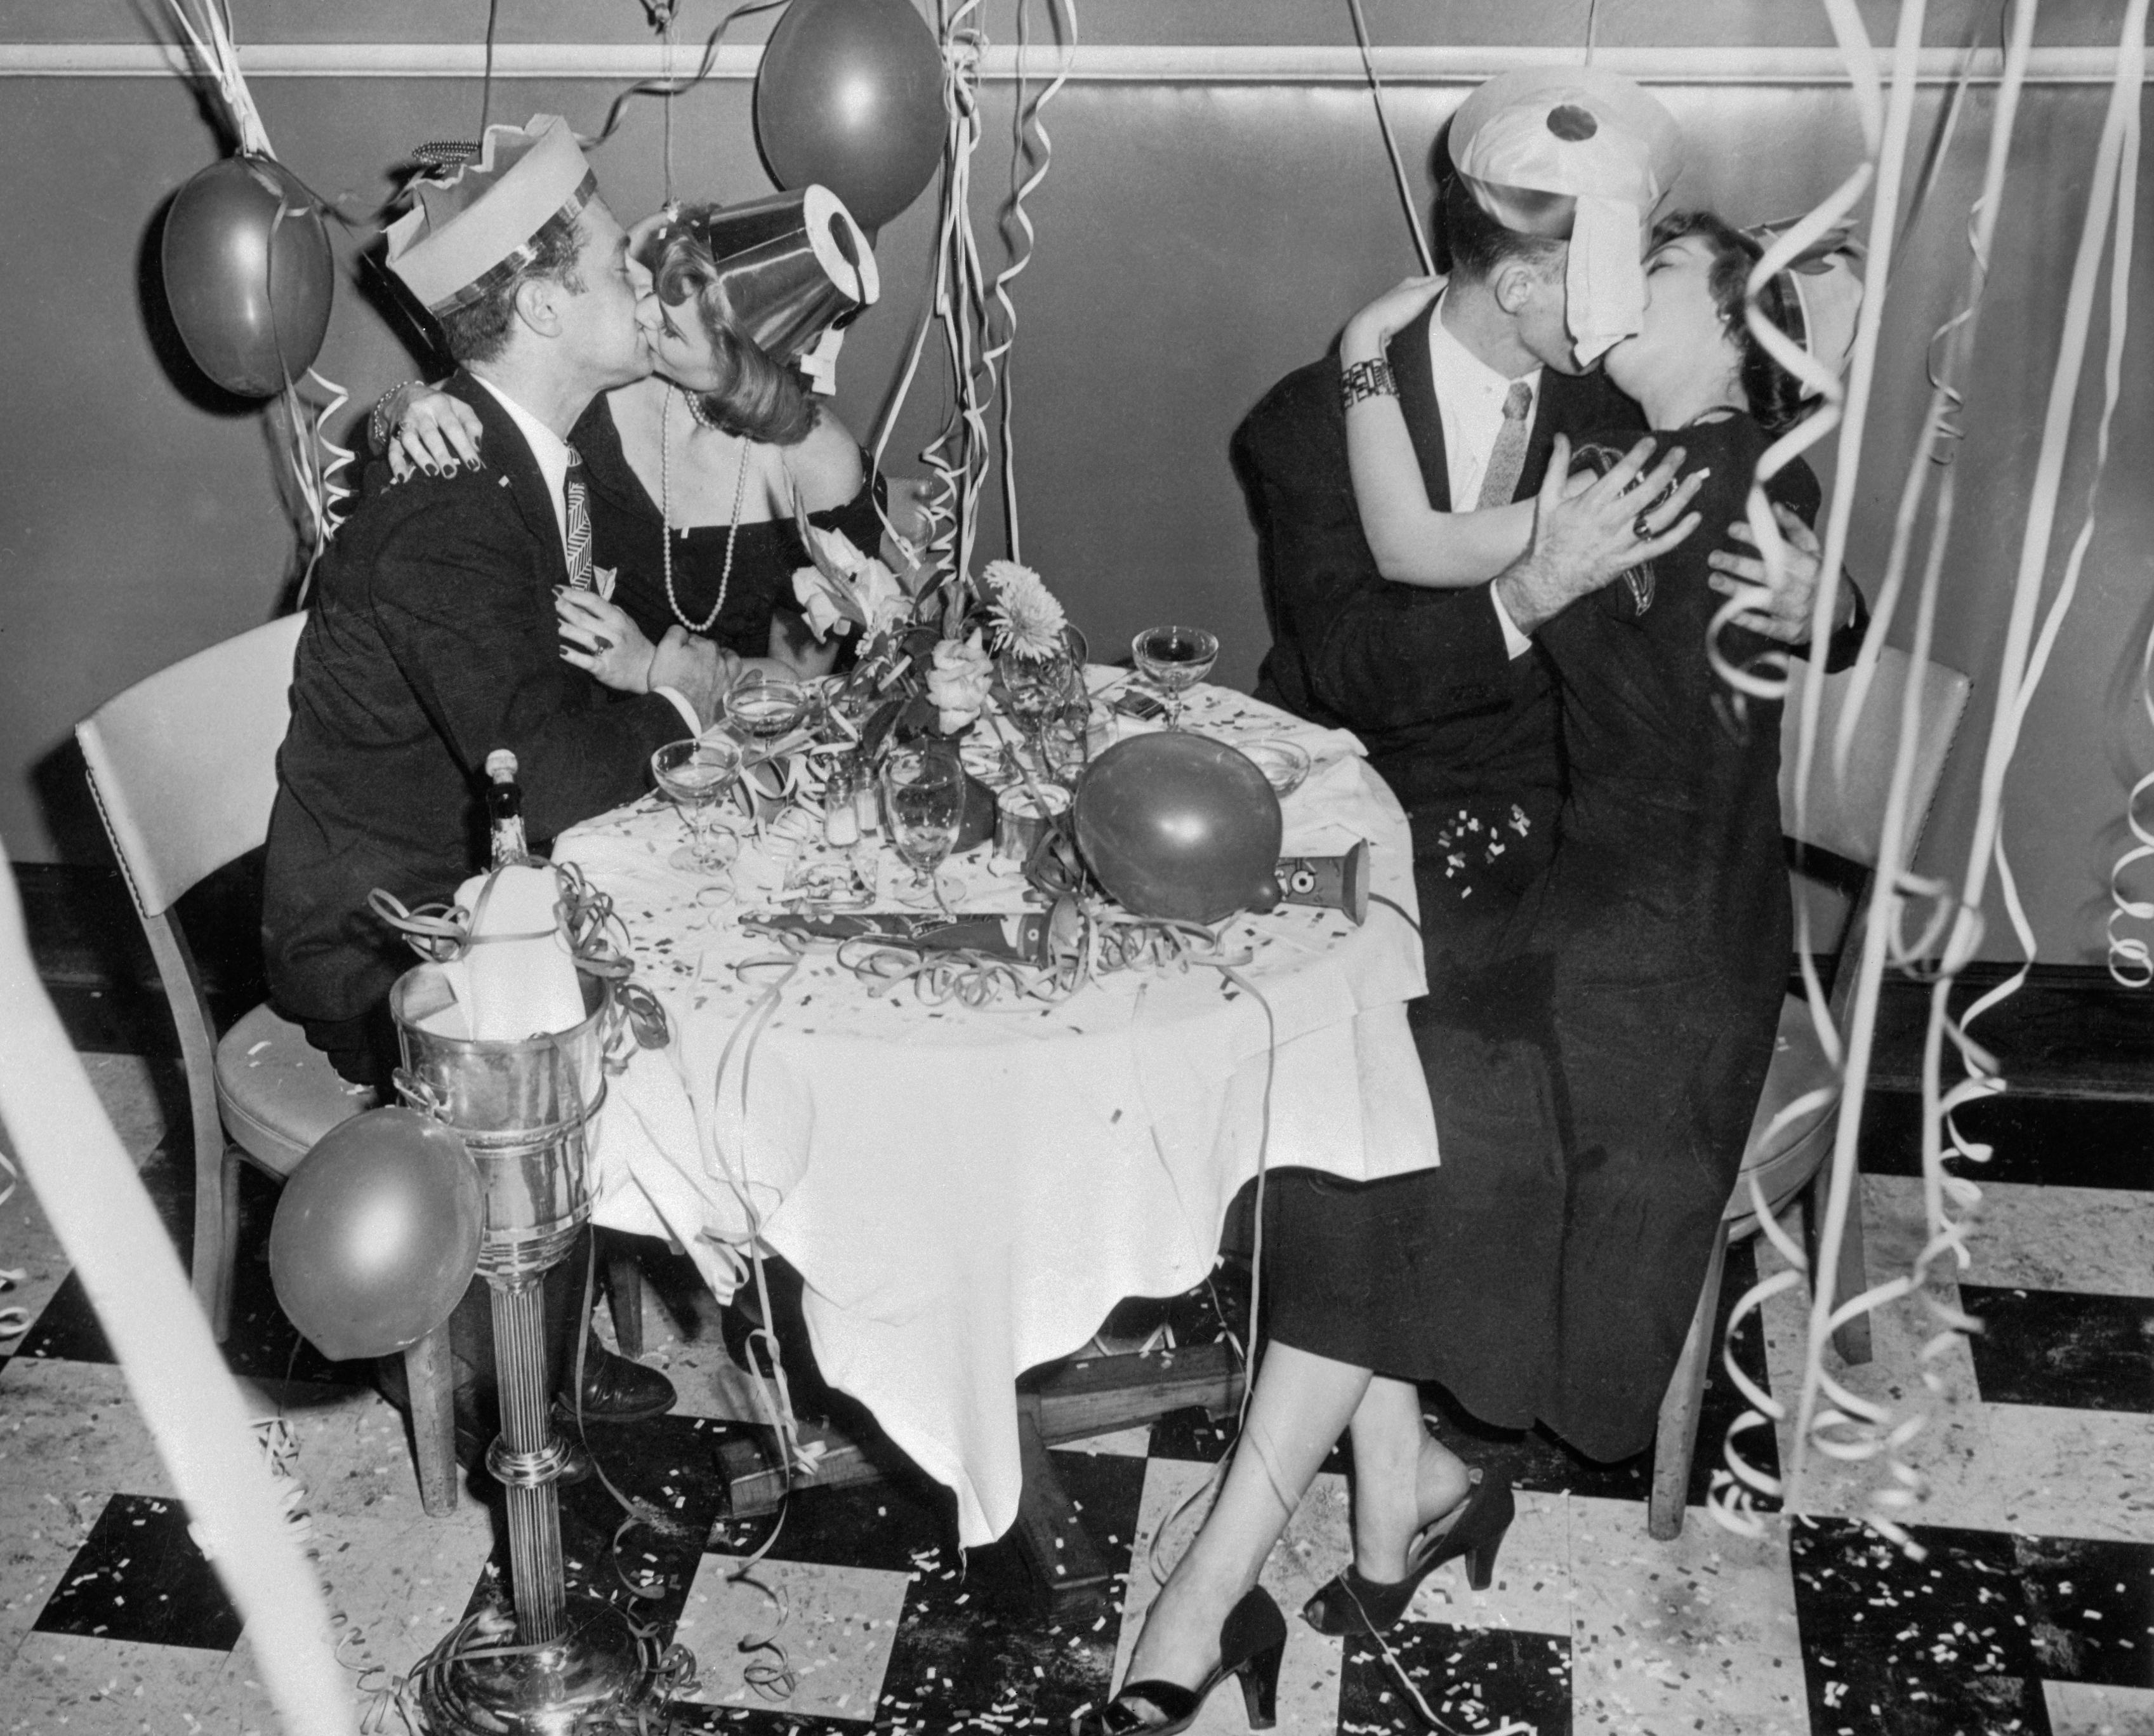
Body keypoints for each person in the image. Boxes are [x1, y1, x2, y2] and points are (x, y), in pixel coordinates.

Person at [1087, 76, 1860, 1736]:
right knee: (1295, 1061)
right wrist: (1520, 580)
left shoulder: (1616, 405)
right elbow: (1348, 654)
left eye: (1637, 270)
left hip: (1570, 867)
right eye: (1601, 267)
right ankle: (1406, 1475)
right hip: (1382, 811)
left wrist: (1832, 601)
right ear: (1523, 279)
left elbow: (1768, 515)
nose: (1609, 298)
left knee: (1373, 1107)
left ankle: (1218, 1583)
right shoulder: (1308, 422)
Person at [264, 115, 734, 1445]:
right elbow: (558, 772)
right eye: (613, 265)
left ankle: (580, 1290)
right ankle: (519, 1387)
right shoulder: (452, 505)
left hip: (494, 877)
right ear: (539, 305)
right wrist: (680, 697)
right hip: (388, 930)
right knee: (702, 993)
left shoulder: (531, 447)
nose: (641, 282)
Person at [374, 202, 886, 693]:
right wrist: (403, 403)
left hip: (725, 736)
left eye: (671, 331)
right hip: (566, 711)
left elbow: (800, 680)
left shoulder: (820, 466)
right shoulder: (614, 378)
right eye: (655, 291)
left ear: (743, 366)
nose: (641, 314)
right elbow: (466, 404)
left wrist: (652, 671)